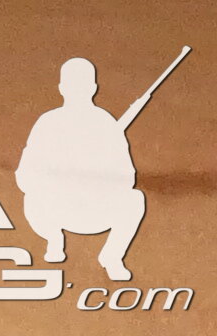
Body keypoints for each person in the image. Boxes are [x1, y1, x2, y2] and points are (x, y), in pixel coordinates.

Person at [18, 57, 151, 281]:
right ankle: (53, 239)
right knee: (31, 198)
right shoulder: (48, 122)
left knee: (134, 199)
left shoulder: (106, 124)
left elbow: (127, 178)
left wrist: (96, 177)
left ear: (92, 89)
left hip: (96, 210)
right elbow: (24, 175)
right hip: (55, 209)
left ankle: (112, 256)